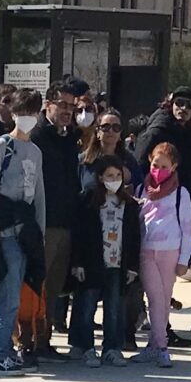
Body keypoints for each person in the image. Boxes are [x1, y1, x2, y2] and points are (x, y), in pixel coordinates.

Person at [0, 89, 46, 374]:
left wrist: (39, 233)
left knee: (17, 294)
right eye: (23, 113)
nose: (28, 118)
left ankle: (6, 348)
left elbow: (39, 196)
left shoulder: (35, 151)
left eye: (32, 113)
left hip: (26, 232)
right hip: (4, 231)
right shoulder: (3, 146)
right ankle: (0, 352)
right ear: (13, 115)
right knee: (9, 295)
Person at [69, 151, 141, 363]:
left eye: (117, 176)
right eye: (109, 176)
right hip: (92, 263)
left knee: (114, 308)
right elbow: (79, 235)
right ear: (100, 177)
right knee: (87, 306)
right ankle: (86, 347)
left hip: (117, 264)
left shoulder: (128, 204)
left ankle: (112, 348)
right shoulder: (88, 201)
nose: (114, 180)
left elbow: (135, 237)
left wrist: (132, 267)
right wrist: (77, 263)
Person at [31, 88, 83, 358]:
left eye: (71, 107)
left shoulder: (69, 137)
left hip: (65, 223)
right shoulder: (37, 135)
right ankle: (29, 341)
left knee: (53, 287)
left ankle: (44, 340)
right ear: (47, 105)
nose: (67, 111)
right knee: (36, 286)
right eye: (62, 105)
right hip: (43, 224)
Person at [135, 135, 191, 366]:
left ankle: (154, 344)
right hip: (147, 250)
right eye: (155, 165)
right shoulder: (142, 189)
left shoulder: (181, 194)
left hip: (170, 252)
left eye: (164, 166)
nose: (159, 170)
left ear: (174, 167)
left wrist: (184, 259)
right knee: (154, 297)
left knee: (163, 299)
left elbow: (187, 229)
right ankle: (161, 346)